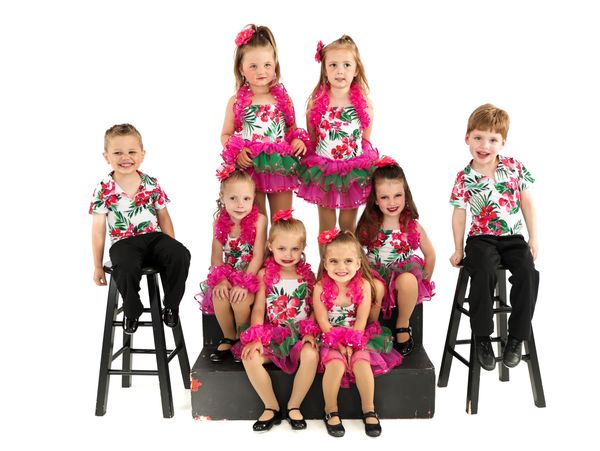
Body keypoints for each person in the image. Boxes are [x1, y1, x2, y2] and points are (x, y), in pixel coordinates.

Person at [449, 103, 539, 371]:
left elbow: (527, 203)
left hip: (512, 238)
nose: (484, 145)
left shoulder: (514, 168)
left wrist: (533, 238)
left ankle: (516, 337)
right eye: (478, 137)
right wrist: (457, 249)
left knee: (528, 273)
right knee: (485, 271)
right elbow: (459, 214)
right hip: (481, 239)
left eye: (492, 139)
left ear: (502, 143)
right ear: (467, 137)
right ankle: (482, 336)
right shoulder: (464, 177)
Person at [90, 123, 191, 333]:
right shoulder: (103, 189)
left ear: (142, 154)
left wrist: (170, 243)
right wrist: (98, 265)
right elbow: (98, 230)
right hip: (124, 243)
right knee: (125, 267)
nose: (125, 157)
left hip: (153, 238)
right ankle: (132, 309)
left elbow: (163, 216)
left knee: (180, 254)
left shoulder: (151, 183)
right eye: (117, 153)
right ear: (106, 156)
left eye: (131, 152)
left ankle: (171, 305)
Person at [313, 229, 402, 438]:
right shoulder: (319, 288)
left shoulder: (363, 286)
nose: (341, 267)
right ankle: (330, 410)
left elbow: (361, 321)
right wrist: (339, 345)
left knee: (362, 364)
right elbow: (324, 322)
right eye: (334, 261)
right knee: (335, 365)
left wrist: (353, 345)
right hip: (329, 337)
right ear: (325, 264)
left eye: (347, 261)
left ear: (358, 263)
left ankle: (369, 409)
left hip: (357, 334)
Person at [238, 210, 318, 432]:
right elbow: (259, 309)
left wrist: (310, 331)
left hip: (300, 335)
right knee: (250, 356)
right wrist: (256, 337)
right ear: (270, 246)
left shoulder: (308, 277)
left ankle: (294, 406)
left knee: (311, 354)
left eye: (295, 248)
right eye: (282, 248)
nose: (288, 254)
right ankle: (271, 406)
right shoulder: (265, 274)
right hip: (273, 334)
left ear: (303, 248)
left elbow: (314, 309)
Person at [220, 24, 310, 221]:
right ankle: (258, 252)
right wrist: (237, 152)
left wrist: (298, 141)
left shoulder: (283, 99)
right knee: (256, 220)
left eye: (267, 65)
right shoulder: (236, 102)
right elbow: (225, 135)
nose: (261, 71)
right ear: (241, 69)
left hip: (280, 165)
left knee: (282, 219)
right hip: (250, 165)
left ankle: (280, 251)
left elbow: (292, 129)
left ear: (275, 65)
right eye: (253, 66)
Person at [297, 35, 379, 241]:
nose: (339, 70)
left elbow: (364, 140)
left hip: (353, 172)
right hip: (325, 171)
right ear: (324, 69)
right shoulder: (316, 103)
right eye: (333, 65)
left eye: (346, 65)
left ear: (356, 69)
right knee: (326, 226)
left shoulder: (365, 104)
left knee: (347, 226)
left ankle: (348, 267)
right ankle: (325, 269)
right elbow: (313, 139)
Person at [356, 158, 436, 356]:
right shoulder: (369, 226)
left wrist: (423, 283)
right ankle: (372, 327)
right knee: (376, 286)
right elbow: (355, 252)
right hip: (376, 275)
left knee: (409, 280)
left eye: (397, 196)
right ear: (375, 199)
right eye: (385, 197)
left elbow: (430, 254)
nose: (392, 203)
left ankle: (402, 324)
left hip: (402, 275)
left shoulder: (411, 226)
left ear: (405, 195)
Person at [196, 165, 267, 362]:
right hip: (227, 275)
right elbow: (216, 255)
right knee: (219, 295)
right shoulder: (219, 221)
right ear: (222, 197)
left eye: (246, 199)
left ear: (253, 198)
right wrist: (220, 280)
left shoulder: (259, 221)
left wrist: (244, 283)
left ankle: (243, 337)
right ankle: (229, 335)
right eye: (233, 198)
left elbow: (258, 256)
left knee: (240, 299)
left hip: (250, 275)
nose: (240, 204)